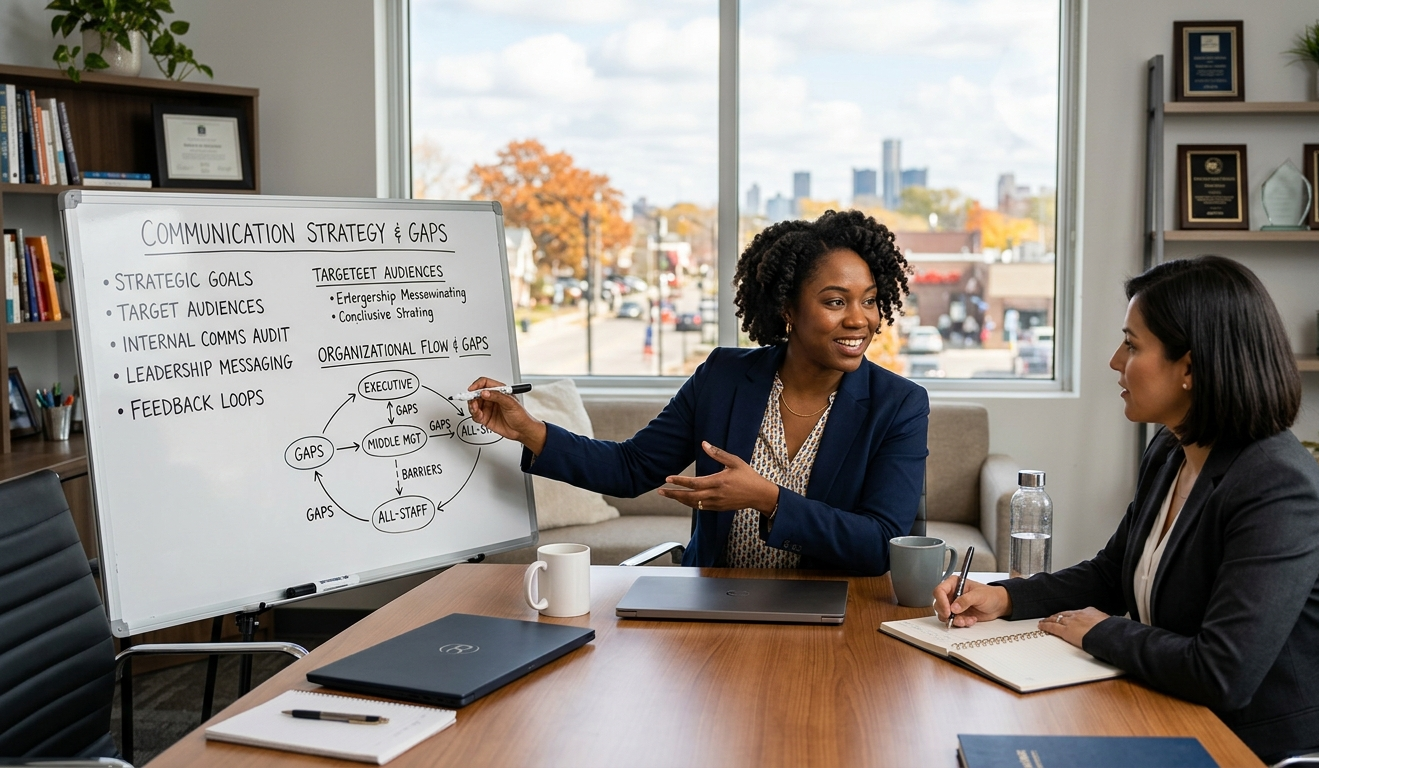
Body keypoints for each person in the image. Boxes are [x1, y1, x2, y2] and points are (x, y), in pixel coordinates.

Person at [935, 255, 1317, 763]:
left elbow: (1224, 672)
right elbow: (1115, 573)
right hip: (1170, 709)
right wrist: (1004, 599)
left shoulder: (1277, 484)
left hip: (1252, 746)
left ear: (1191, 367)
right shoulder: (1170, 448)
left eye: (1133, 345)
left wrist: (1101, 631)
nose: (1116, 361)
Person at [468, 210, 928, 575]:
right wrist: (533, 432)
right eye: (835, 301)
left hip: (831, 613)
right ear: (787, 307)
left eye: (868, 300)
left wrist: (767, 498)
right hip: (713, 605)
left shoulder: (898, 405)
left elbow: (879, 545)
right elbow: (631, 468)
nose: (859, 319)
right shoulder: (724, 377)